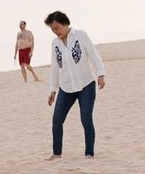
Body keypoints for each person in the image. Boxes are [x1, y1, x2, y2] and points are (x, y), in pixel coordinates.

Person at [43, 11, 107, 159]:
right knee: (57, 119)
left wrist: (101, 74)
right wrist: (53, 90)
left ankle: (89, 153)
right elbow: (55, 67)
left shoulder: (80, 35)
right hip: (66, 88)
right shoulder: (55, 44)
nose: (55, 32)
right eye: (52, 29)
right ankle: (57, 153)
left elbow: (93, 54)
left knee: (85, 117)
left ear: (65, 23)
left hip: (86, 84)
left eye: (57, 28)